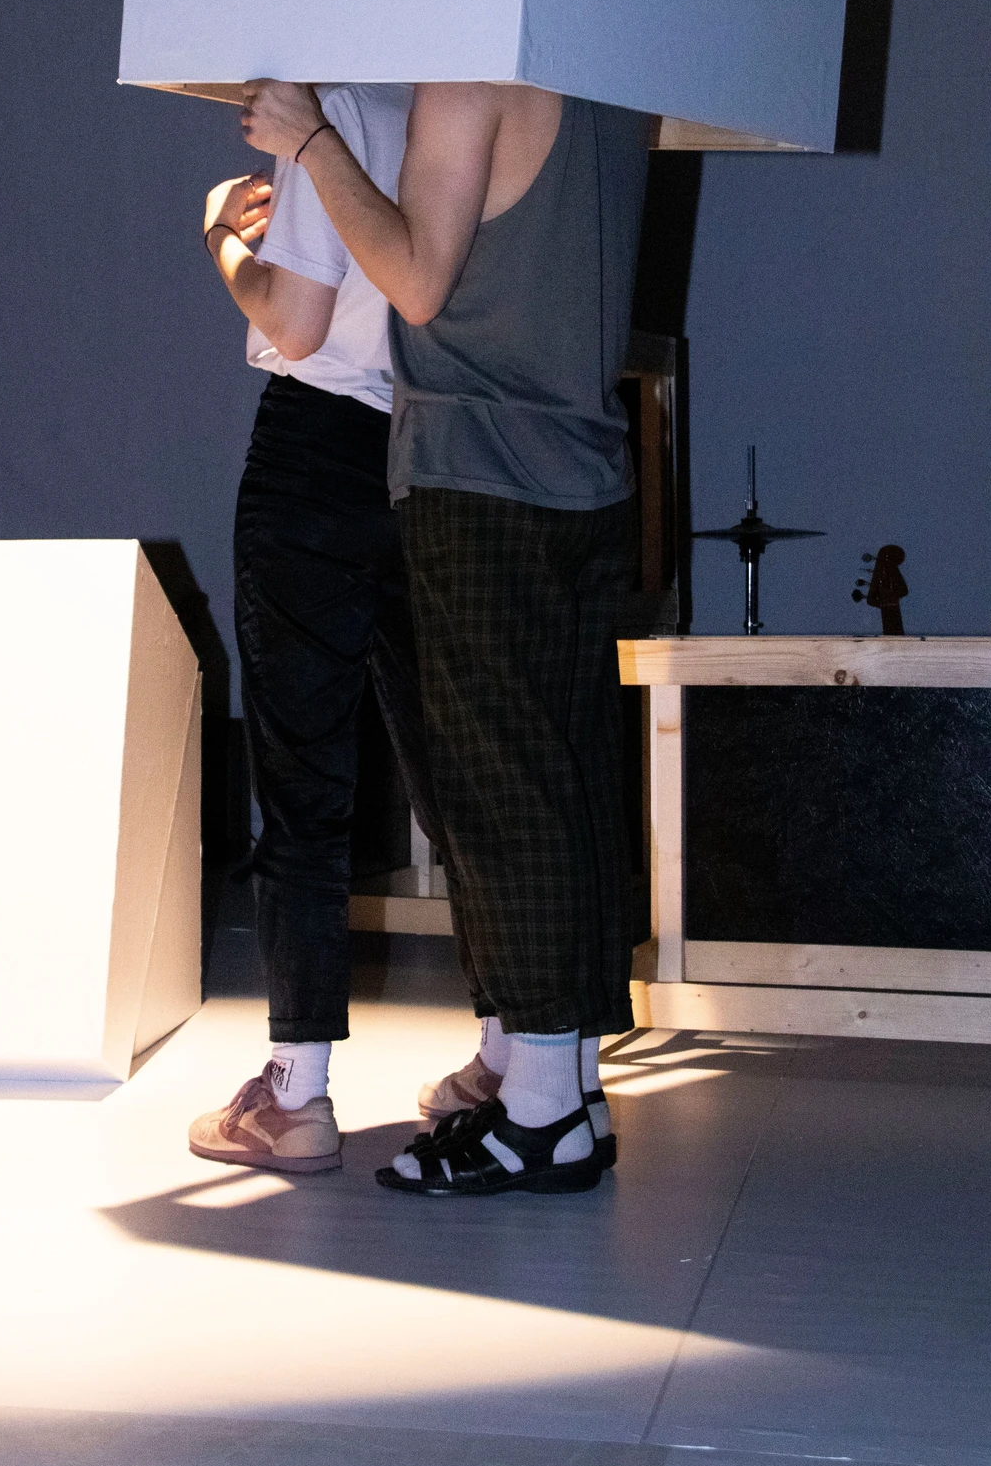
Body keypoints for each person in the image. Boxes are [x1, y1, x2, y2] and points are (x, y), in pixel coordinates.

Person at [238, 79, 650, 1199]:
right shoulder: (616, 82)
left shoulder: (463, 79)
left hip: (477, 461)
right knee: (563, 781)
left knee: (500, 791)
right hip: (582, 456)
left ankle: (539, 1115)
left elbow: (416, 285)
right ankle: (560, 1089)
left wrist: (312, 147)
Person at [187, 84, 438, 1175]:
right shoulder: (463, 99)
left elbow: (293, 321)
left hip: (317, 447)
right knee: (457, 764)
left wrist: (219, 237)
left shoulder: (326, 103)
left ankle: (296, 1091)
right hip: (436, 447)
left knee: (302, 771)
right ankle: (510, 1057)